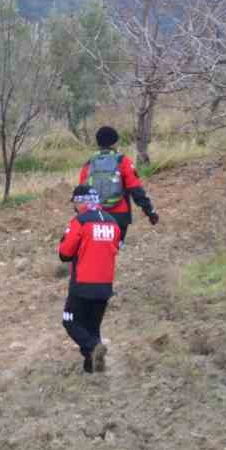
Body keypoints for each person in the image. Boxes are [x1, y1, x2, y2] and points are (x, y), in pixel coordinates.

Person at [58, 184, 122, 373]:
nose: (74, 207)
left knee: (69, 321)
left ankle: (94, 348)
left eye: (74, 203)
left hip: (83, 283)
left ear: (80, 202)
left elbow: (65, 253)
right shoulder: (112, 222)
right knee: (92, 327)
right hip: (105, 285)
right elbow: (116, 248)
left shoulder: (81, 221)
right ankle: (92, 368)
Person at [76, 126, 158, 247]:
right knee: (113, 251)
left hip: (95, 216)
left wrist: (82, 217)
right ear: (115, 142)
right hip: (119, 216)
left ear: (98, 142)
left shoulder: (89, 163)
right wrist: (150, 212)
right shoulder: (122, 161)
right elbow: (136, 190)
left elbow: (81, 194)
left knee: (96, 250)